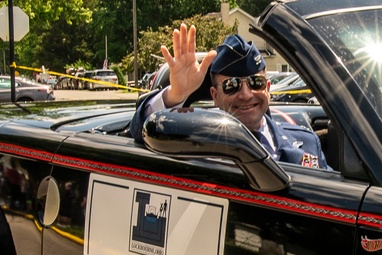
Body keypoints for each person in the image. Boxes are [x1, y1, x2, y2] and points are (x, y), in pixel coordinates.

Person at [131, 25, 330, 169]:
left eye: (255, 83)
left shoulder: (307, 140)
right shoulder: (193, 142)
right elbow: (139, 134)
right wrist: (176, 95)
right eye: (232, 85)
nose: (245, 94)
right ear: (215, 96)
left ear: (268, 88)